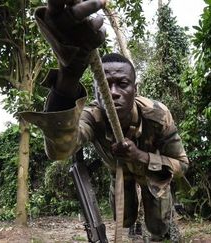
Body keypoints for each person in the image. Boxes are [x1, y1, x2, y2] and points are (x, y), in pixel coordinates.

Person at [21, 0, 190, 241]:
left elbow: (182, 165)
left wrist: (140, 157)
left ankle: (164, 230)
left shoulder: (158, 114)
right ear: (97, 89)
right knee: (124, 220)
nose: (113, 92)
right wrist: (69, 74)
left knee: (158, 228)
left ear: (135, 88)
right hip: (120, 174)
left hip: (153, 173)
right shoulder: (94, 116)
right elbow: (59, 150)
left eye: (122, 84)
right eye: (106, 85)